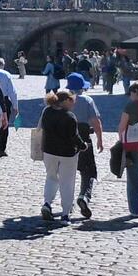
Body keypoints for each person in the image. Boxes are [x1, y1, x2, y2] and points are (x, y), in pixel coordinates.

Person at [39, 88, 86, 222]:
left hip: (49, 151)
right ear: (65, 100)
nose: (73, 104)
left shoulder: (47, 111)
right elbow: (74, 136)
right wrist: (83, 145)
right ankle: (65, 214)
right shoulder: (69, 116)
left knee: (51, 177)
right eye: (72, 101)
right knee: (67, 182)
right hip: (67, 154)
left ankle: (47, 203)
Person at [67, 72, 105, 219]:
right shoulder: (87, 100)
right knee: (88, 171)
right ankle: (84, 196)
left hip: (64, 141)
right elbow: (96, 122)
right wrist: (100, 139)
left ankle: (66, 203)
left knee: (66, 174)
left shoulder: (62, 99)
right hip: (83, 140)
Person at [117, 82, 138, 218]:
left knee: (134, 178)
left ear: (136, 92)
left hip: (134, 146)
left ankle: (136, 209)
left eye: (131, 93)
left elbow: (122, 126)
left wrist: (120, 141)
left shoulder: (131, 105)